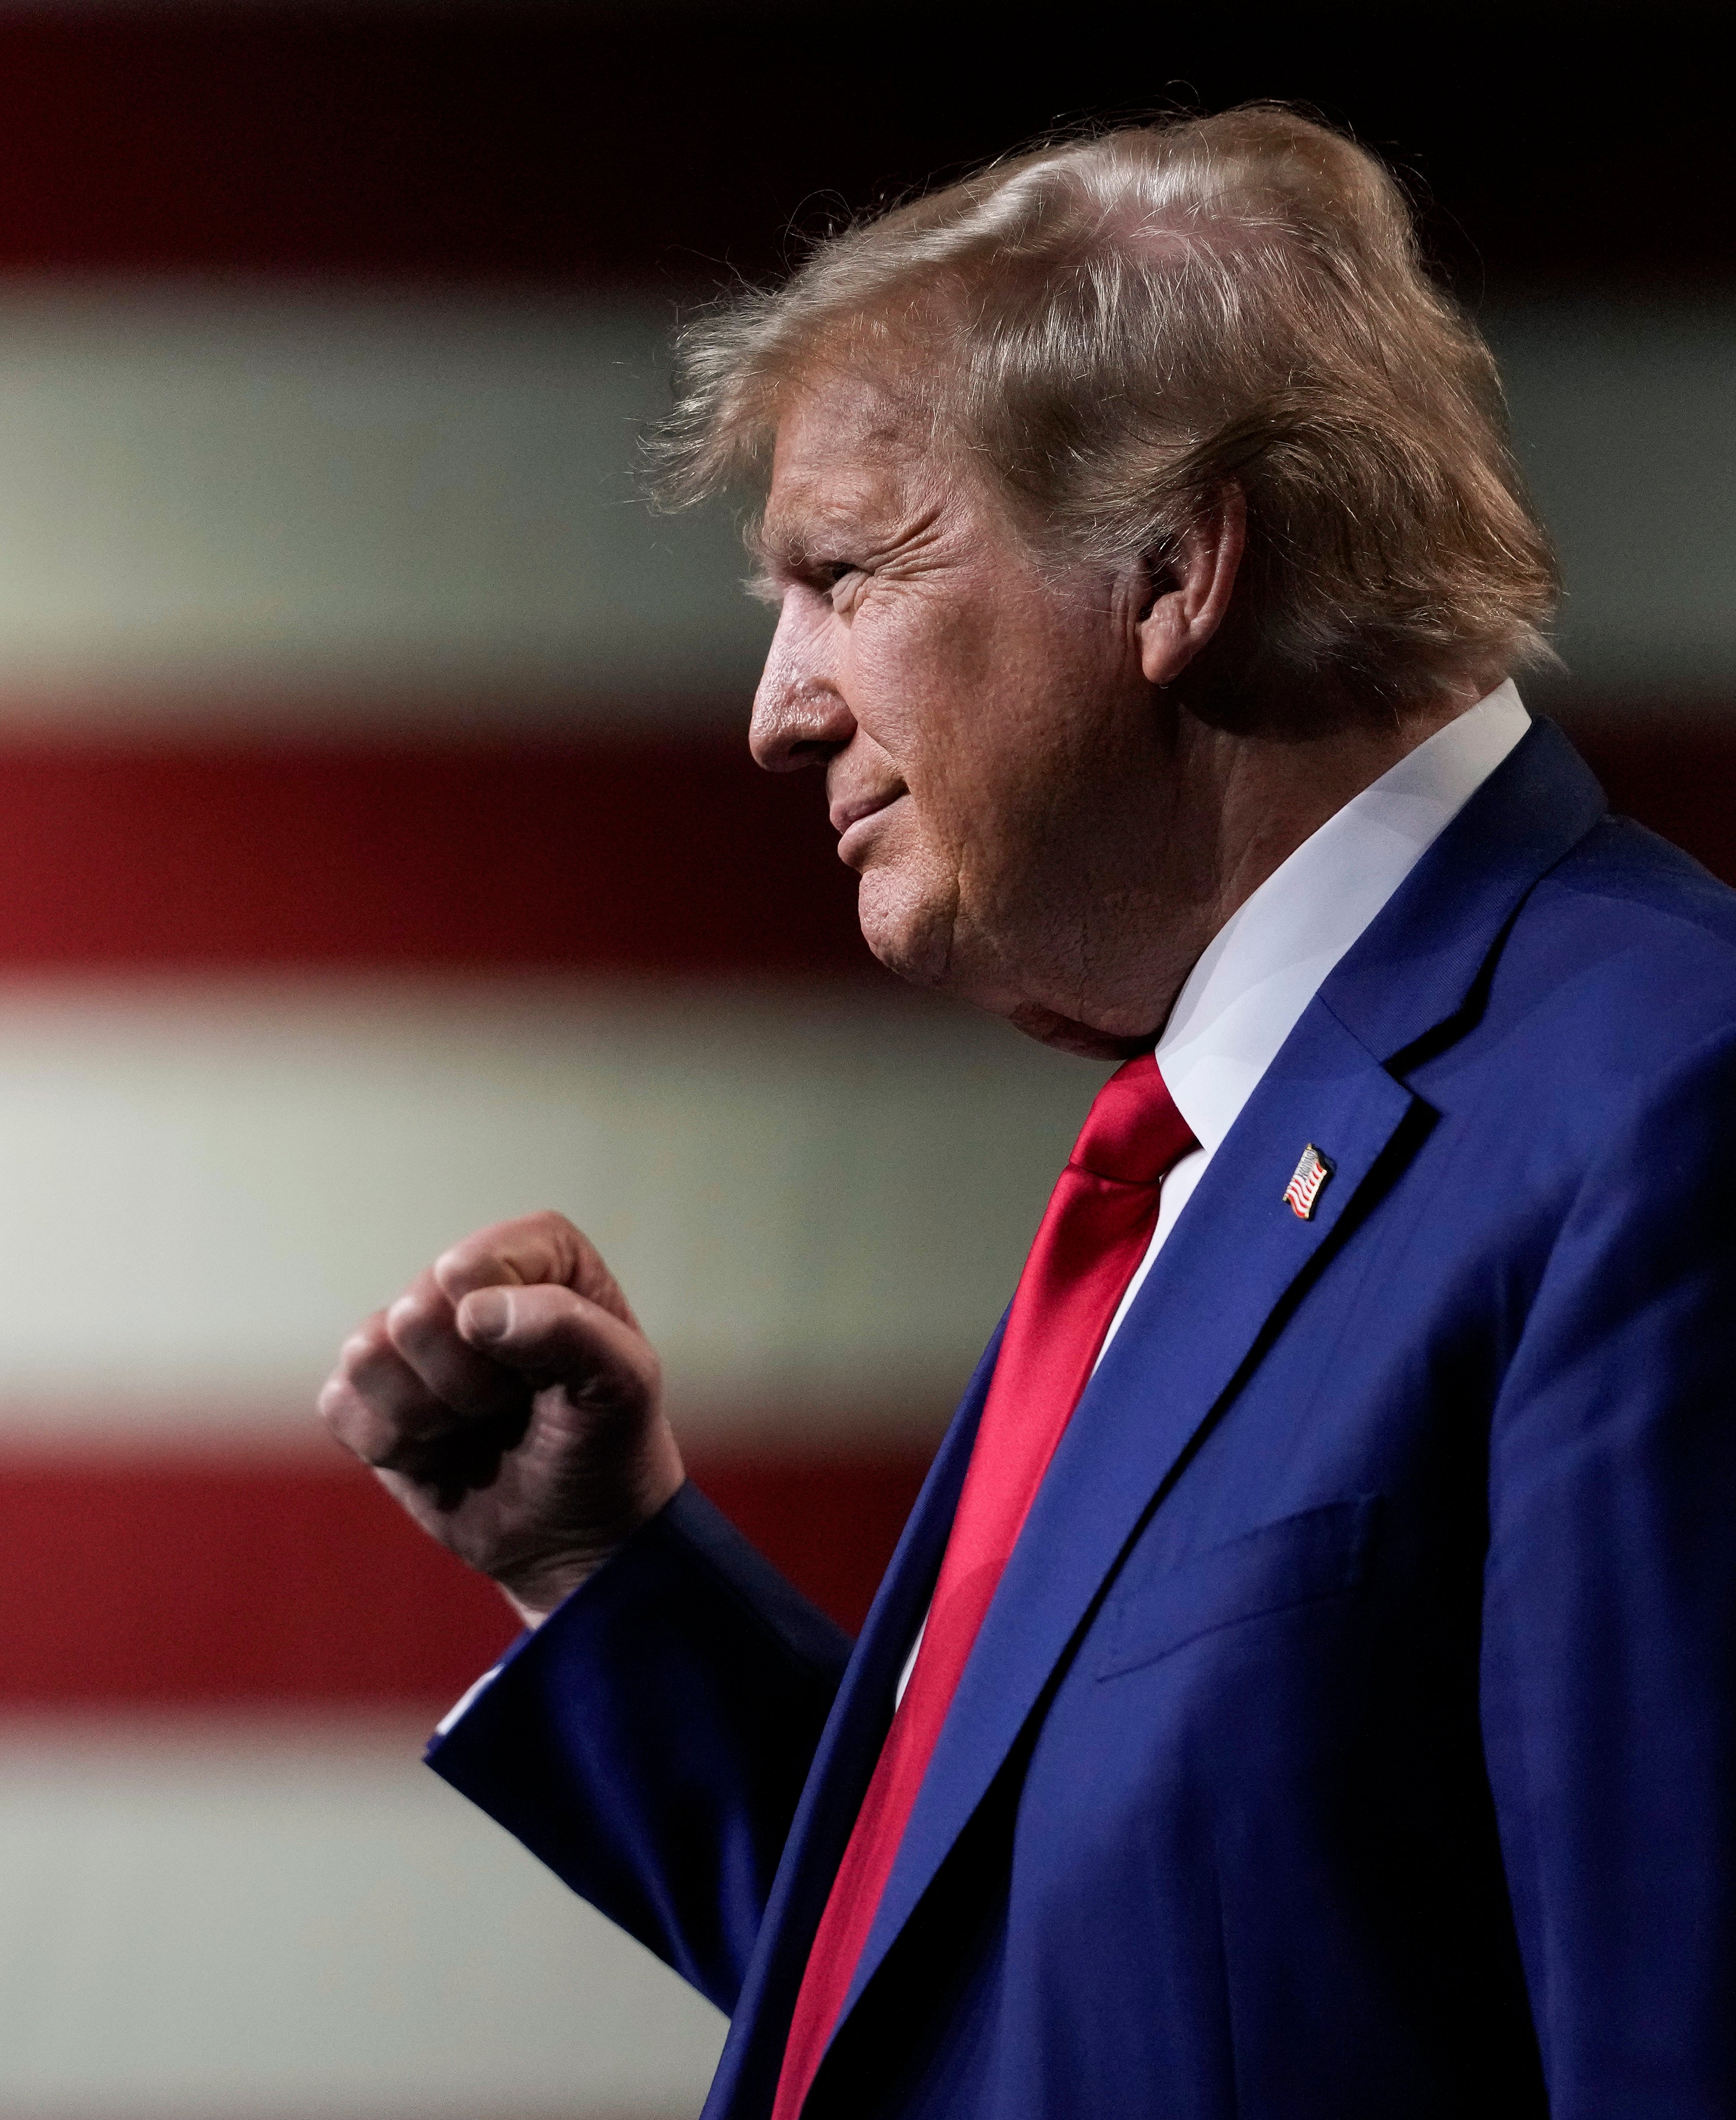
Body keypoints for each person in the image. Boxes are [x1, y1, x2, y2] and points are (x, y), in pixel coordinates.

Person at [317, 107, 1736, 2118]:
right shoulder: (1216, 1144)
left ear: (1170, 568)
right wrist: (608, 1574)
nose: (773, 707)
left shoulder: (1659, 1111)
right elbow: (1073, 2002)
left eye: (841, 574)